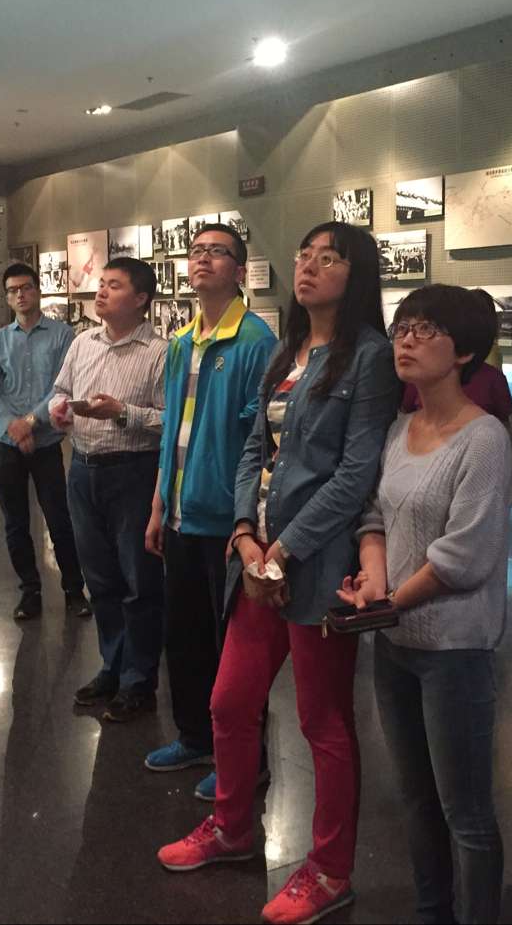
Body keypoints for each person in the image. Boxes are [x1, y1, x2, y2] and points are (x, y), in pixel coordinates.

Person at [156, 222, 398, 925]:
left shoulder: (370, 357)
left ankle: (329, 869)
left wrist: (283, 550)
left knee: (324, 722)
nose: (309, 267)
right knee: (230, 701)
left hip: (316, 566)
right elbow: (252, 449)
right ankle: (233, 827)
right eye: (304, 255)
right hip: (257, 559)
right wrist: (242, 535)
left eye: (329, 259)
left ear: (356, 275)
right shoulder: (287, 350)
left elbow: (355, 473)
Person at [339, 285, 512, 924]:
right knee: (414, 799)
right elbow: (374, 516)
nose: (406, 340)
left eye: (426, 329)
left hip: (454, 648)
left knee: (465, 811)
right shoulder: (398, 428)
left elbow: (464, 555)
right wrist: (373, 581)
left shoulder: (484, 439)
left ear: (464, 351)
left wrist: (386, 601)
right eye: (402, 327)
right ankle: (431, 912)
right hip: (395, 644)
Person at [143, 224, 277, 800]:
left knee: (234, 652)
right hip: (180, 514)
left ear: (239, 270)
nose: (202, 260)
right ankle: (195, 737)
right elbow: (172, 433)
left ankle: (247, 759)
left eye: (217, 253)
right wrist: (158, 505)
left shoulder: (255, 342)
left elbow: (258, 439)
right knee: (186, 637)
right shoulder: (180, 342)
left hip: (225, 519)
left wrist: (245, 519)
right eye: (196, 251)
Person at [51, 258, 168, 722]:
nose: (100, 292)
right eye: (101, 284)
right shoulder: (83, 342)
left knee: (139, 582)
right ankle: (112, 666)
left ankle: (138, 679)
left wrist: (121, 412)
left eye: (113, 286)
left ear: (140, 299)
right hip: (83, 470)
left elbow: (170, 420)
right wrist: (59, 409)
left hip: (133, 473)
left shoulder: (159, 352)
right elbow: (60, 390)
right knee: (100, 580)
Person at [0, 262, 88, 620]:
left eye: (26, 287)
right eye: (13, 290)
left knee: (59, 518)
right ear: (7, 297)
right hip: (6, 446)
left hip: (45, 444)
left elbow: (63, 386)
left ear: (38, 290)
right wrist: (11, 426)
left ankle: (74, 590)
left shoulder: (62, 336)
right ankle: (29, 591)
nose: (20, 295)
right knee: (15, 522)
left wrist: (28, 423)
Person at [401, 290, 512, 425]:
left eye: (426, 328)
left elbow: (502, 423)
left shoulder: (492, 377)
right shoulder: (420, 376)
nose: (407, 341)